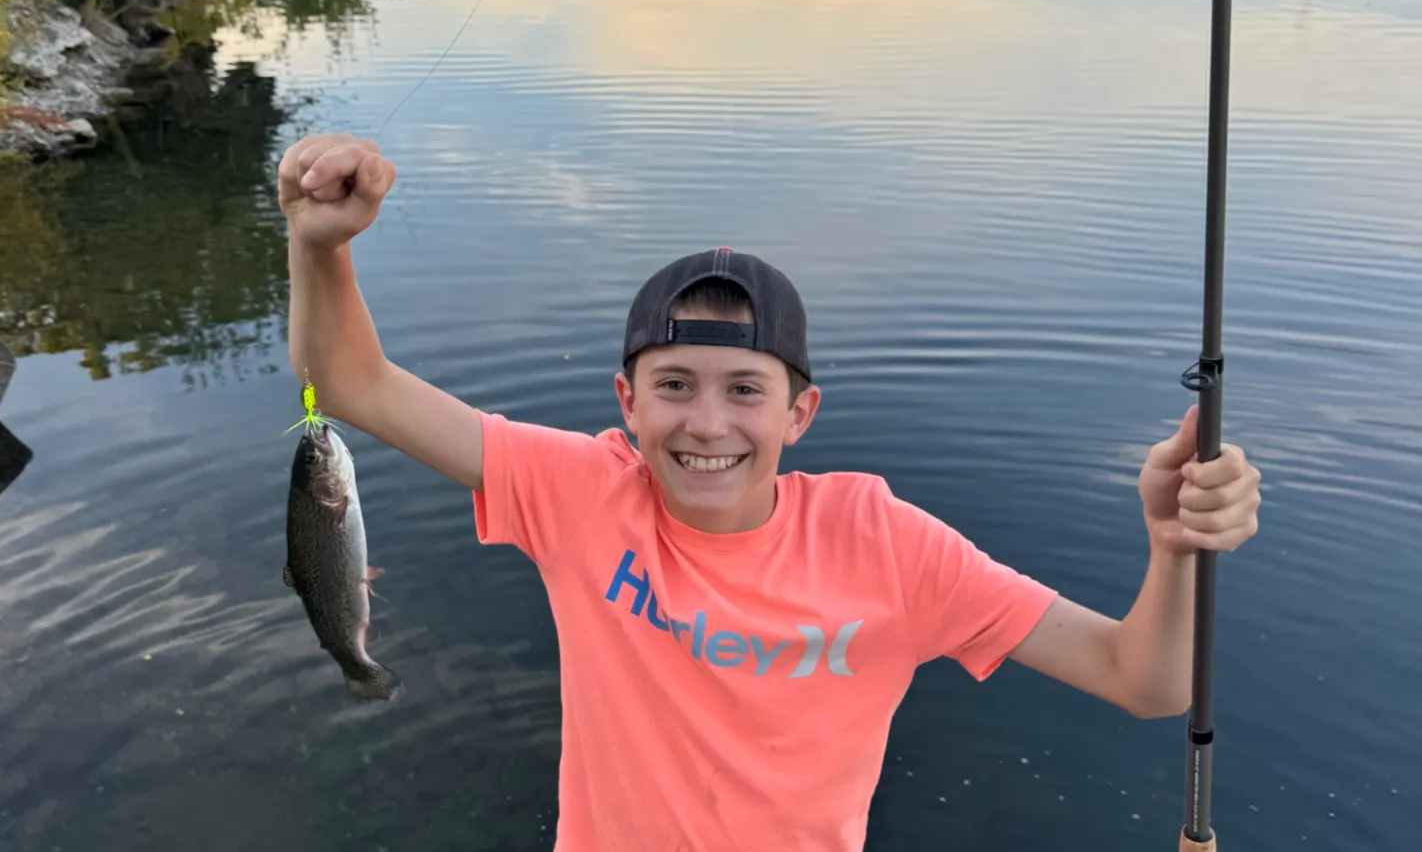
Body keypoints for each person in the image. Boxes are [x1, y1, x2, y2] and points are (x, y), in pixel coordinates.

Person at [280, 131, 1263, 852]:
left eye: (744, 389)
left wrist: (1174, 549)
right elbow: (350, 382)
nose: (706, 423)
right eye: (673, 386)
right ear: (626, 401)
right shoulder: (582, 490)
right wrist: (321, 244)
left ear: (800, 412)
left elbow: (1143, 681)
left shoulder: (887, 545)